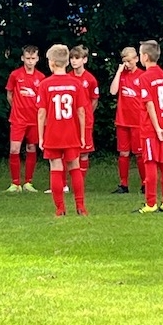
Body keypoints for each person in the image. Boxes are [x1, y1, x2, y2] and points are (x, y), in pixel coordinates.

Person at [37, 44, 91, 216]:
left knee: (56, 167)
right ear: (67, 62)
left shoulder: (45, 84)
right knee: (75, 166)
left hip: (53, 133)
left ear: (52, 63)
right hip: (71, 132)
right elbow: (81, 111)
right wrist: (82, 135)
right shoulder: (76, 83)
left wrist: (41, 137)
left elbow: (41, 113)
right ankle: (80, 206)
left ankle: (60, 208)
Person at [136, 39, 163, 213]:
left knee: (150, 163)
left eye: (140, 54)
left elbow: (149, 104)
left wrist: (158, 128)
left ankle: (151, 203)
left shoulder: (144, 77)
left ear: (145, 56)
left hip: (151, 129)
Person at [5, 45, 44, 192]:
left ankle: (28, 182)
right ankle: (15, 183)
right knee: (14, 149)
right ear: (22, 58)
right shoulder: (15, 75)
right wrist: (17, 107)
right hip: (18, 119)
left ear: (37, 59)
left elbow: (42, 99)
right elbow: (9, 95)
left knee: (31, 147)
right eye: (27, 58)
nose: (30, 61)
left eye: (33, 58)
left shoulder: (41, 77)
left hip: (34, 119)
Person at [109, 46, 145, 194]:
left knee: (139, 154)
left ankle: (145, 183)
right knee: (123, 153)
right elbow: (113, 91)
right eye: (125, 61)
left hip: (138, 121)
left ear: (136, 59)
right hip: (122, 120)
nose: (127, 64)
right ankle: (123, 184)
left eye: (130, 61)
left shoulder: (142, 75)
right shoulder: (122, 75)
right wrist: (118, 72)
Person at [69, 44, 100, 180]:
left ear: (85, 60)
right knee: (69, 152)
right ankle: (65, 183)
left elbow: (94, 100)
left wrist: (87, 114)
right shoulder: (68, 77)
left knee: (84, 152)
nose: (74, 61)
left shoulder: (91, 79)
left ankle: (80, 181)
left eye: (77, 58)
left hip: (85, 120)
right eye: (71, 58)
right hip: (70, 121)